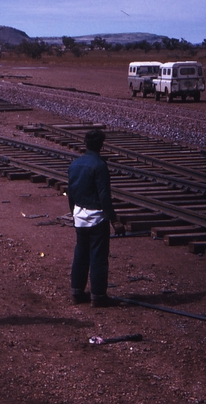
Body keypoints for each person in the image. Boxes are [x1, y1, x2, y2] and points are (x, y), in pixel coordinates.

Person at [66, 129, 124, 307]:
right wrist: (114, 220)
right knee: (98, 257)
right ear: (101, 145)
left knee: (81, 255)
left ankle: (77, 292)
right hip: (97, 218)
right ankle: (98, 296)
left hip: (79, 216)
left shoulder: (74, 164)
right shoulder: (100, 165)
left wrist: (74, 213)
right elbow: (104, 197)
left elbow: (70, 193)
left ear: (85, 143)